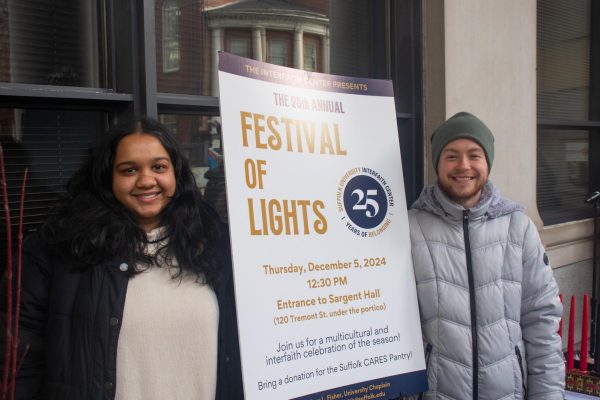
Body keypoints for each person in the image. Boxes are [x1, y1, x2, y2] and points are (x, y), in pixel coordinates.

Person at [0, 117, 243, 399]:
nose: (146, 180)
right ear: (108, 178)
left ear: (176, 173)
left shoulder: (214, 244)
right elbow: (18, 360)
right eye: (129, 170)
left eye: (159, 167)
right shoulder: (60, 250)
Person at [408, 112, 564, 399]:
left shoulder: (518, 227)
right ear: (438, 164)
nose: (463, 166)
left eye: (474, 155)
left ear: (487, 162)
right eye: (451, 156)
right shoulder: (410, 228)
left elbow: (541, 321)